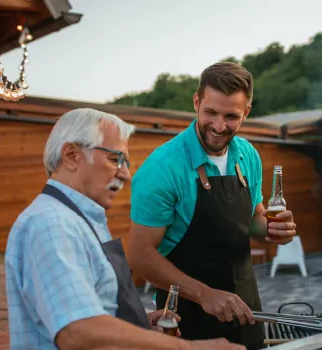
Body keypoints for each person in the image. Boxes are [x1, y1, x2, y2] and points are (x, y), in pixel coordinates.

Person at [4, 108, 246, 350]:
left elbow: (92, 306)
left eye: (125, 162)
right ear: (71, 155)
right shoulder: (52, 224)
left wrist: (136, 323)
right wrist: (190, 348)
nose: (126, 174)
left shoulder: (80, 219)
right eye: (114, 159)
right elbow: (77, 332)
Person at [128, 62, 298, 349]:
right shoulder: (162, 168)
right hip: (186, 321)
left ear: (246, 112)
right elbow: (140, 256)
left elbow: (252, 218)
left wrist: (273, 228)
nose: (219, 126)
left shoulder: (248, 155)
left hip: (247, 309)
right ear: (197, 102)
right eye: (211, 113)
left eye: (231, 116)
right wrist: (204, 294)